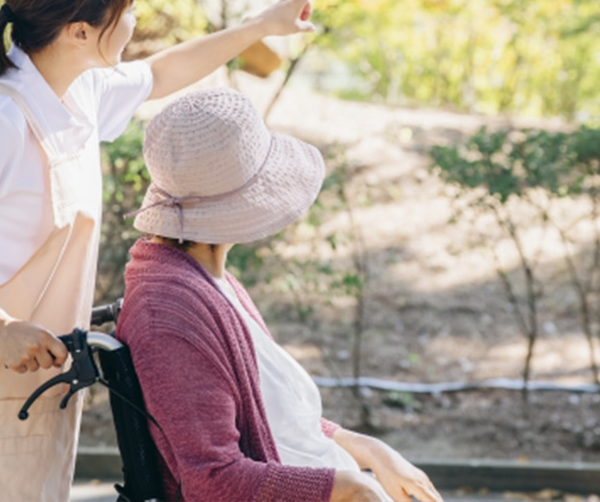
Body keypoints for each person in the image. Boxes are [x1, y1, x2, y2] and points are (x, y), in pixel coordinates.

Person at [0, 0, 327, 502]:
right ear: (81, 31)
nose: (135, 20)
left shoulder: (80, 92)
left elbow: (161, 73)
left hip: (35, 389)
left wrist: (262, 25)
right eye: (127, 9)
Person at [119, 87, 444, 502]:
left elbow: (275, 420)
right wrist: (350, 487)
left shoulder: (205, 280)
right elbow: (212, 481)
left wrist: (372, 451)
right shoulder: (169, 312)